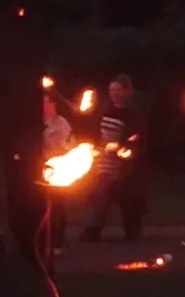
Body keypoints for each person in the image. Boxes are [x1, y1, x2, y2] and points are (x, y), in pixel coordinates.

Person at [83, 76, 147, 241]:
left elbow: (136, 136)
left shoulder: (132, 114)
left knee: (126, 198)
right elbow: (95, 131)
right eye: (112, 90)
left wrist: (122, 147)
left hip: (124, 163)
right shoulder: (105, 110)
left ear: (127, 91)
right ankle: (94, 229)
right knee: (99, 195)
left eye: (118, 90)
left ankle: (132, 230)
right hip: (103, 161)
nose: (114, 94)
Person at [40, 93, 76, 255]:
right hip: (40, 169)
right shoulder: (38, 123)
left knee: (57, 207)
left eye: (46, 102)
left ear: (53, 104)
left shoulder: (62, 124)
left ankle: (57, 242)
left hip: (58, 169)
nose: (43, 105)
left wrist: (63, 147)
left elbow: (71, 145)